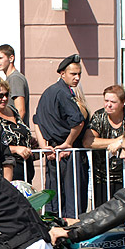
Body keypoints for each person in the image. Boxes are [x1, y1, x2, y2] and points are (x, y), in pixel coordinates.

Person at [32, 54, 88, 218]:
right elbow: (78, 122)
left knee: (54, 201)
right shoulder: (63, 93)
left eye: (79, 74)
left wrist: (44, 147)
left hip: (52, 153)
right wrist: (68, 143)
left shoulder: (48, 92)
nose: (77, 78)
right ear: (62, 73)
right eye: (73, 74)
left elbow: (36, 121)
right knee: (73, 204)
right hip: (67, 154)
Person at [83, 84, 125, 206]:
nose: (108, 104)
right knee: (103, 214)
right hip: (102, 176)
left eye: (113, 102)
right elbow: (88, 141)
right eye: (106, 100)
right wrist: (116, 141)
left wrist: (121, 142)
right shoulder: (99, 116)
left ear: (122, 103)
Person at [0, 77, 34, 182]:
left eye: (6, 94)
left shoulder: (12, 110)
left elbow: (19, 132)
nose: (4, 98)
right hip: (6, 169)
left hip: (25, 167)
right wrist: (16, 149)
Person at [0, 43, 30, 124]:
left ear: (11, 58)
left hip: (16, 132)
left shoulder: (15, 78)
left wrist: (13, 130)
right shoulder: (10, 78)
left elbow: (20, 110)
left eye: (0, 58)